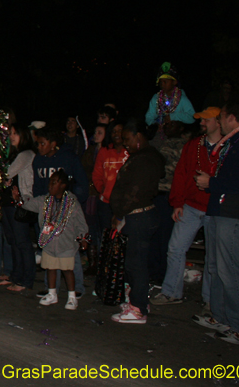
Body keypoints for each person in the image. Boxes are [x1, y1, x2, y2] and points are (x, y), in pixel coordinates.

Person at [194, 101, 239, 345]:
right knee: (217, 267)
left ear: (232, 118)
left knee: (232, 271)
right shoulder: (234, 144)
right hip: (222, 213)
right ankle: (222, 317)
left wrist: (211, 183)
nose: (220, 121)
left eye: (222, 117)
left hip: (235, 216)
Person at [150, 107, 220, 306]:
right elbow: (181, 174)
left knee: (213, 258)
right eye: (201, 120)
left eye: (206, 120)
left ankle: (209, 301)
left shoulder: (227, 147)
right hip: (191, 206)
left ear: (218, 121)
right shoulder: (194, 145)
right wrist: (177, 203)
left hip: (214, 209)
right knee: (175, 248)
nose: (202, 123)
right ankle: (171, 292)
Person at [109, 118, 165, 324]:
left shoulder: (145, 160)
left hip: (139, 216)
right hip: (136, 216)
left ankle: (138, 309)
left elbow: (135, 192)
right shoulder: (142, 157)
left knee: (136, 264)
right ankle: (138, 301)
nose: (125, 143)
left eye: (127, 139)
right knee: (134, 262)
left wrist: (120, 212)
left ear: (139, 137)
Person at [14, 170, 88, 310]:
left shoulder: (72, 203)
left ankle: (72, 297)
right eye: (50, 182)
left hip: (66, 244)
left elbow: (81, 223)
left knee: (67, 270)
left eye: (54, 183)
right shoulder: (44, 200)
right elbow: (28, 204)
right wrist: (19, 199)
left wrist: (83, 237)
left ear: (63, 185)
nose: (50, 186)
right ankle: (52, 293)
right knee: (51, 268)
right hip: (49, 243)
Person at [32, 126, 89, 297]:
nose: (39, 147)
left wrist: (75, 201)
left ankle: (77, 287)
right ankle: (51, 288)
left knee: (69, 249)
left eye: (42, 143)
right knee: (48, 247)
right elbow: (37, 186)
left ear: (53, 144)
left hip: (66, 210)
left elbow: (82, 182)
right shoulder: (38, 161)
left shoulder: (68, 158)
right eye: (38, 144)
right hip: (48, 210)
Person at [148, 120, 189, 283]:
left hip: (169, 195)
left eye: (172, 125)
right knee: (154, 236)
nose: (168, 127)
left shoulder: (185, 145)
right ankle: (154, 273)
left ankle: (163, 276)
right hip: (155, 194)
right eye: (166, 124)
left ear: (181, 127)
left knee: (166, 238)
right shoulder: (159, 142)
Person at [3, 124, 36, 292]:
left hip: (20, 202)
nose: (11, 136)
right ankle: (16, 276)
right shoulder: (15, 154)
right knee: (14, 241)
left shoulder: (26, 154)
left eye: (15, 133)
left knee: (22, 242)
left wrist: (4, 177)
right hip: (8, 202)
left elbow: (7, 172)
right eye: (11, 133)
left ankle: (26, 280)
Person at [92, 122, 129, 251]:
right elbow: (96, 174)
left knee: (124, 239)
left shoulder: (130, 150)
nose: (116, 134)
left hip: (125, 203)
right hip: (106, 203)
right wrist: (102, 188)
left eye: (119, 130)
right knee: (107, 238)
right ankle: (107, 267)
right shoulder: (104, 151)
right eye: (113, 131)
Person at [81, 123, 108, 273]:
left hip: (104, 195)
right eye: (95, 132)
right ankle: (93, 262)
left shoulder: (109, 152)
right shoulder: (90, 152)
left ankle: (103, 261)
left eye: (100, 132)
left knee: (102, 229)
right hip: (91, 193)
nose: (96, 135)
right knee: (90, 227)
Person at [144, 62, 196, 128]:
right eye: (160, 82)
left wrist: (173, 117)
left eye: (165, 82)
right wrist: (155, 125)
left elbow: (192, 117)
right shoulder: (156, 98)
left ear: (174, 82)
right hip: (160, 132)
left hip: (177, 133)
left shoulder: (182, 99)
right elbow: (149, 116)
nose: (162, 84)